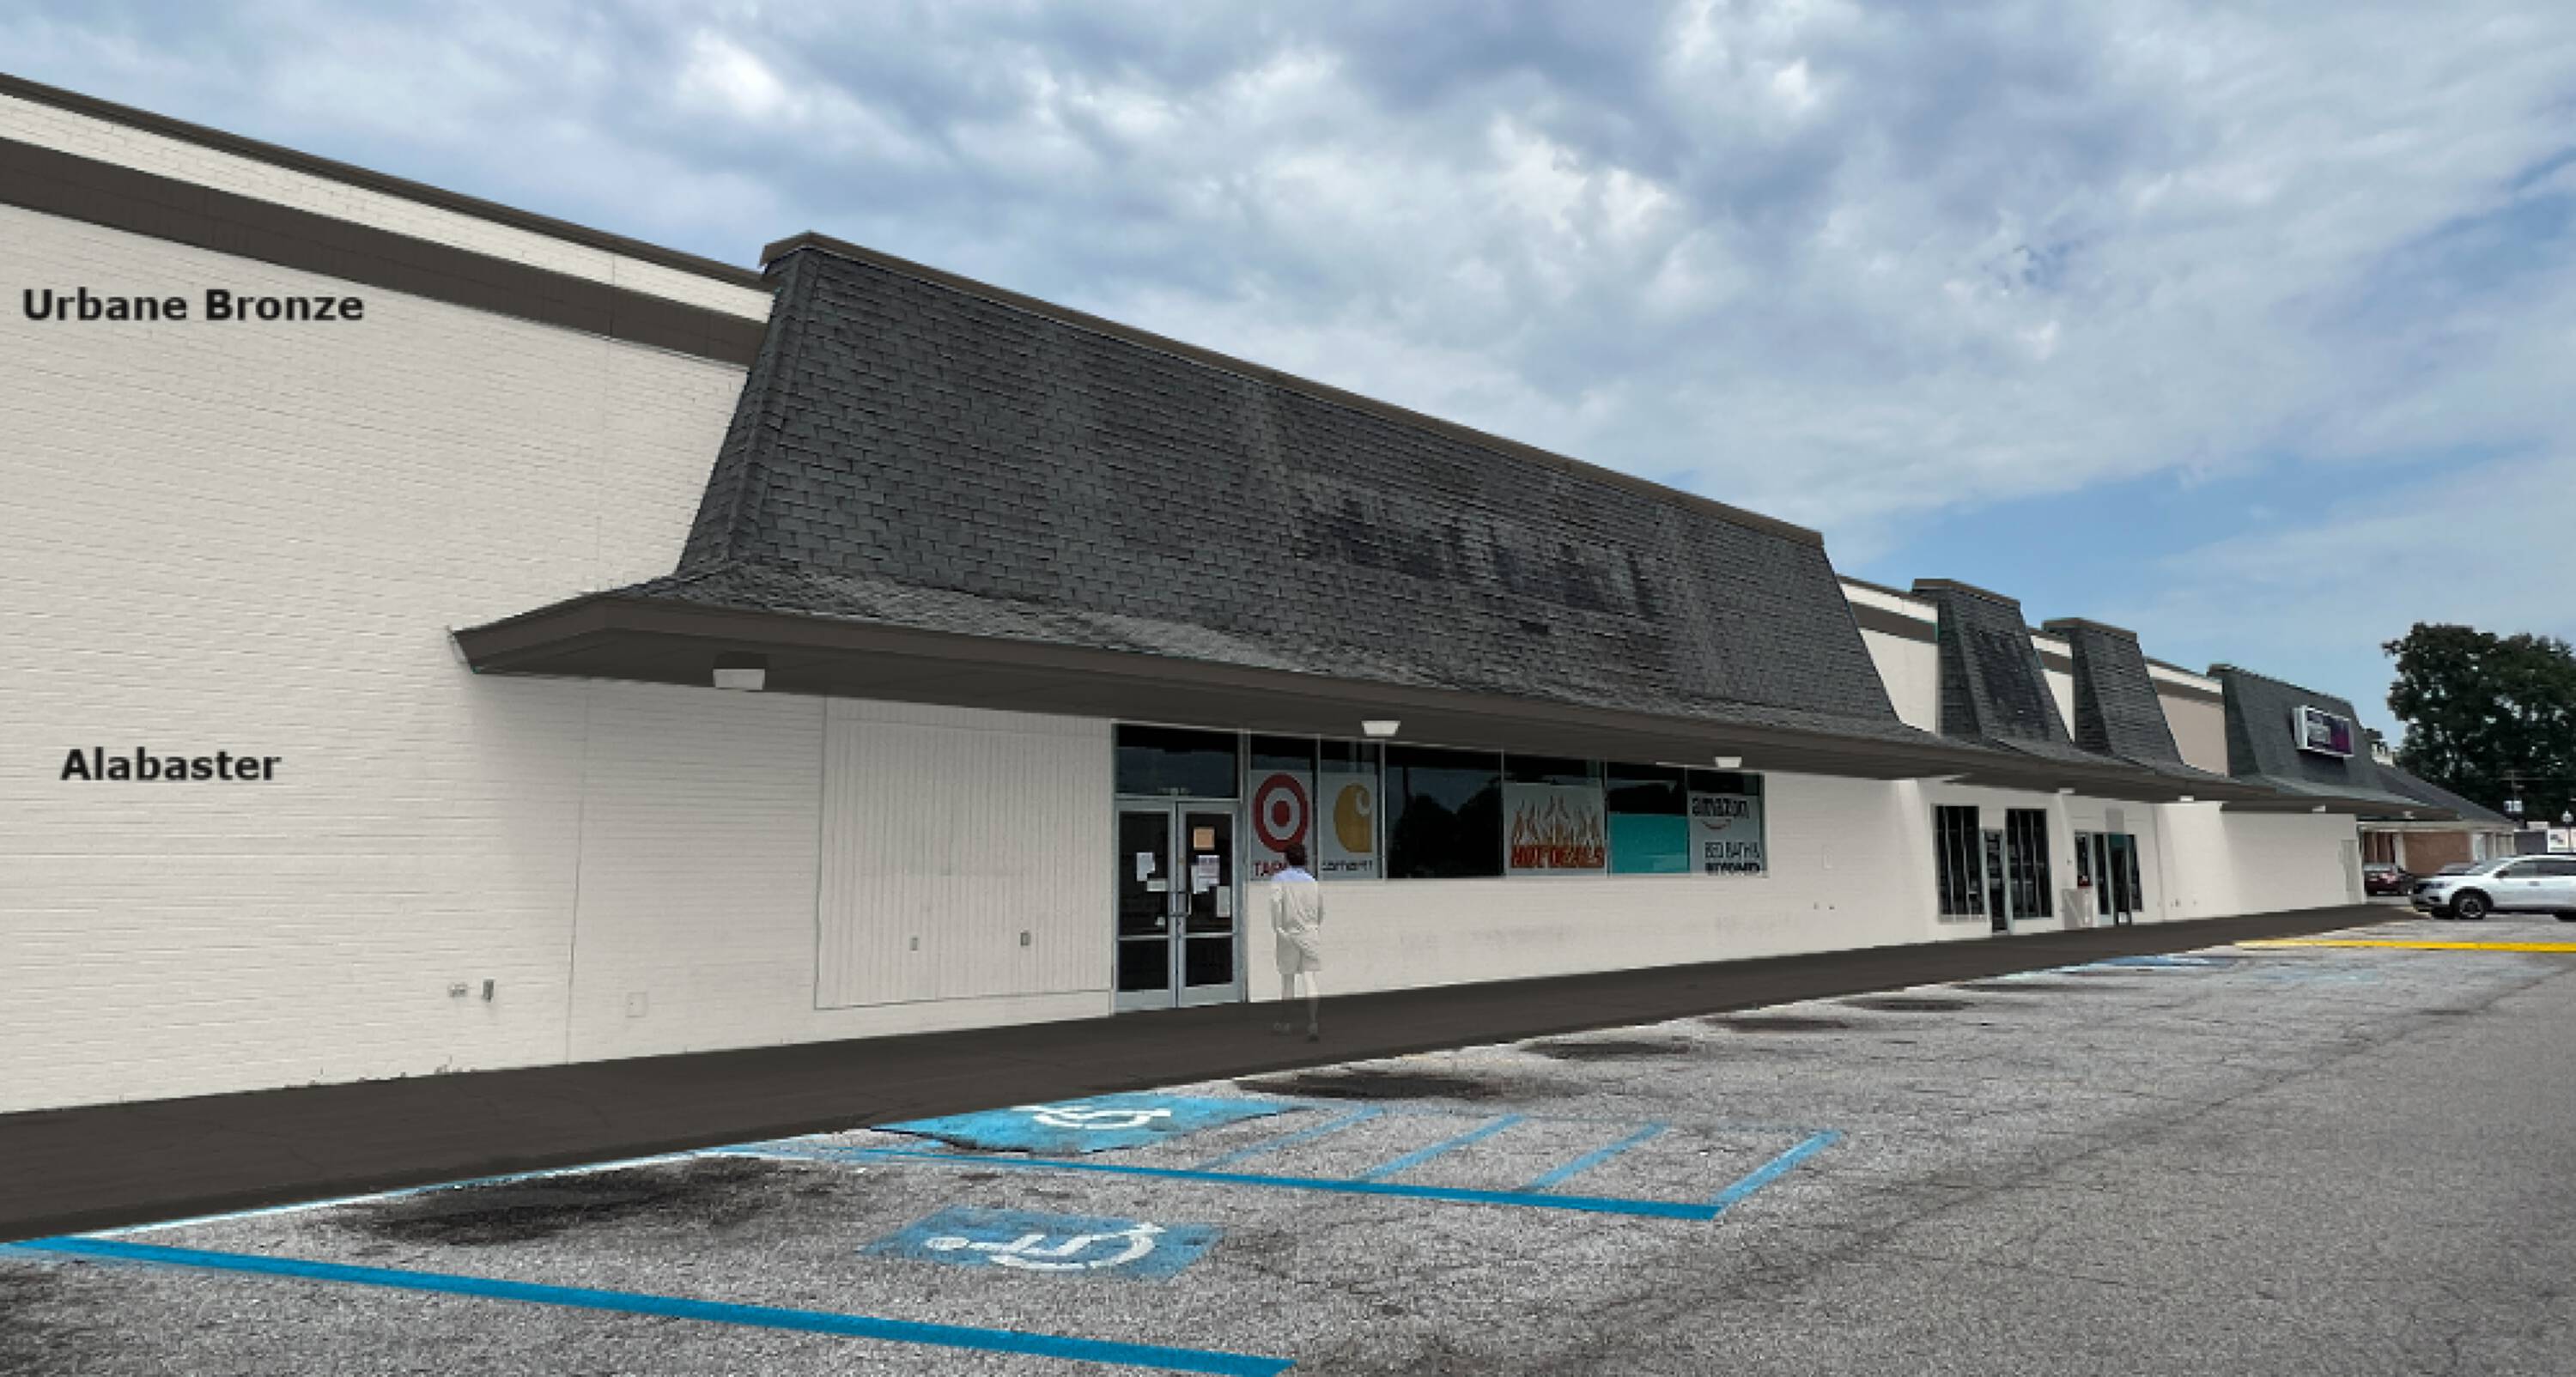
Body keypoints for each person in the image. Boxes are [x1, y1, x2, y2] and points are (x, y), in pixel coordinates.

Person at [1269, 840, 1324, 1040]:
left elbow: (1276, 905)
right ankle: (1313, 1023)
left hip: (1288, 934)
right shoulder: (1312, 881)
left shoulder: (1279, 879)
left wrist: (1277, 928)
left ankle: (1286, 1022)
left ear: (1286, 859)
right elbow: (1320, 910)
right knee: (1310, 978)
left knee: (1288, 979)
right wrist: (1314, 926)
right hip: (1310, 933)